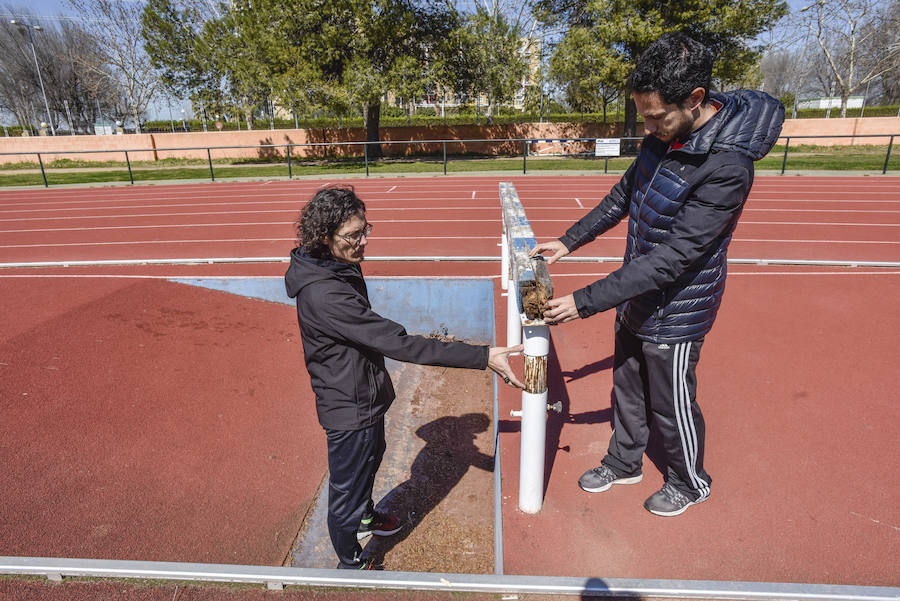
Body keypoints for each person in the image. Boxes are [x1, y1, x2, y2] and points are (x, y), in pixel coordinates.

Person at [530, 32, 785, 517]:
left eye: (656, 116)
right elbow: (623, 195)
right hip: (637, 292)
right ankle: (624, 461)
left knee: (671, 403)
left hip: (679, 307)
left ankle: (690, 481)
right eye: (644, 115)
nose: (648, 126)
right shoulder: (661, 137)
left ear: (695, 99)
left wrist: (583, 301)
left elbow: (674, 258)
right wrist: (569, 240)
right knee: (626, 386)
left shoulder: (728, 167)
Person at [285, 185, 523, 569]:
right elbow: (401, 344)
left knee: (373, 457)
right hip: (349, 408)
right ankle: (351, 561)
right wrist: (482, 356)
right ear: (324, 236)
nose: (363, 242)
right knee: (346, 490)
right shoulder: (325, 294)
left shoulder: (333, 262)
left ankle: (366, 516)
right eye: (353, 235)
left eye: (366, 230)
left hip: (363, 394)